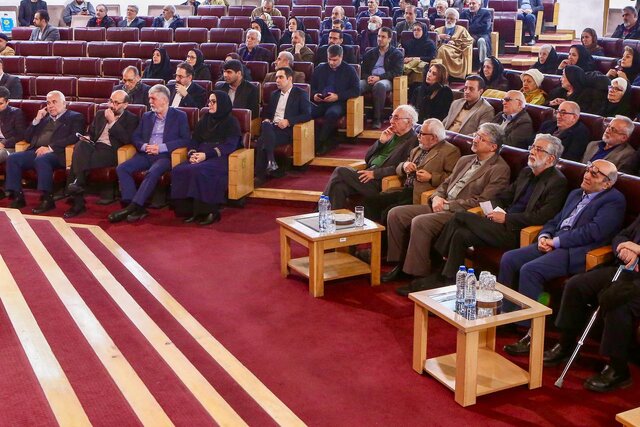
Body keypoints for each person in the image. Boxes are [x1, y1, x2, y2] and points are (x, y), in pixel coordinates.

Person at [501, 160, 625, 356]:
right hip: (554, 242)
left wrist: (557, 242)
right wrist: (544, 236)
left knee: (530, 270)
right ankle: (506, 316)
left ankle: (530, 332)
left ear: (607, 183)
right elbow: (555, 220)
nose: (587, 175)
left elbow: (593, 232)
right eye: (588, 170)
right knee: (509, 259)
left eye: (594, 174)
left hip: (576, 251)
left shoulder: (614, 201)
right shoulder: (576, 193)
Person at [384, 123, 510, 291]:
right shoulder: (465, 160)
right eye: (476, 135)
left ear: (493, 146)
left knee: (420, 222)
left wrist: (449, 205)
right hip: (441, 203)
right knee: (396, 214)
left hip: (460, 213)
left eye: (480, 138)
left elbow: (483, 201)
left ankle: (418, 275)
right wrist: (437, 197)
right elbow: (445, 184)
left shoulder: (500, 169)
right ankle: (399, 263)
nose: (474, 139)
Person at [431, 134, 568, 288]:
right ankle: (449, 281)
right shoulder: (526, 172)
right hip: (500, 224)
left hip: (518, 231)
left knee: (459, 217)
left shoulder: (557, 182)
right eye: (533, 147)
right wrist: (491, 209)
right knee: (460, 234)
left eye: (539, 149)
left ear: (550, 158)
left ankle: (436, 263)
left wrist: (507, 218)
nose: (532, 151)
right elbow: (503, 197)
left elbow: (543, 216)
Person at [542, 216, 640, 392]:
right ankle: (565, 344)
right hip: (626, 269)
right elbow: (621, 235)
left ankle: (618, 369)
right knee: (576, 285)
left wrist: (638, 249)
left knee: (616, 299)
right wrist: (624, 248)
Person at [109, 85, 191, 223]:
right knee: (122, 168)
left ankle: (133, 207)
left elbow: (186, 140)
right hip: (145, 154)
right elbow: (135, 137)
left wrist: (161, 148)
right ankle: (135, 206)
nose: (150, 102)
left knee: (153, 172)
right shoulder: (147, 116)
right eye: (149, 98)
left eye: (153, 99)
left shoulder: (179, 116)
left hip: (164, 156)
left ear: (164, 100)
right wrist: (144, 146)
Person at [364, 118, 460, 223]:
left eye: (422, 134)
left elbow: (453, 179)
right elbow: (399, 167)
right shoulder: (418, 149)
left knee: (388, 212)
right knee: (370, 202)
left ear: (434, 137)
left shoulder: (450, 151)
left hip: (419, 193)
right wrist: (404, 166)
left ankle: (380, 234)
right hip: (404, 190)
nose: (418, 136)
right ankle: (368, 232)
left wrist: (431, 177)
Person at [322, 105, 419, 209]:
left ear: (408, 121)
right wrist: (380, 142)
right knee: (339, 187)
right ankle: (332, 217)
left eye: (396, 118)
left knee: (340, 170)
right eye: (391, 117)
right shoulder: (390, 135)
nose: (391, 121)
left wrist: (375, 174)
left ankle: (320, 211)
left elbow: (401, 167)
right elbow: (367, 158)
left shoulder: (413, 141)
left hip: (379, 180)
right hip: (367, 174)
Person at [3, 91, 85, 213]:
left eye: (54, 102)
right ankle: (18, 196)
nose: (50, 106)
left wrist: (50, 148)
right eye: (48, 103)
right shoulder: (43, 119)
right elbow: (27, 138)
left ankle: (47, 199)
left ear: (64, 103)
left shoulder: (75, 117)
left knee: (42, 159)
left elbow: (74, 137)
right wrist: (36, 120)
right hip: (36, 151)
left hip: (57, 153)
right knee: (13, 158)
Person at [64, 90, 139, 218]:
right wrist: (87, 137)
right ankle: (78, 184)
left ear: (125, 105)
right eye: (111, 101)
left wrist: (112, 122)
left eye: (116, 103)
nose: (112, 105)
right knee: (80, 145)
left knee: (80, 158)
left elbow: (127, 140)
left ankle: (77, 192)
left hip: (112, 151)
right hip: (94, 146)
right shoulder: (100, 114)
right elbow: (92, 133)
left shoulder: (132, 119)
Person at [171, 91, 242, 225]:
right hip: (200, 155)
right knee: (179, 170)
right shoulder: (205, 119)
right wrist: (192, 154)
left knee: (201, 171)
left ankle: (210, 212)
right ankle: (190, 211)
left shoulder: (232, 121)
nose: (210, 104)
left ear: (222, 103)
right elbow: (194, 140)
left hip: (220, 157)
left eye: (213, 102)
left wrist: (206, 155)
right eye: (209, 101)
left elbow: (230, 146)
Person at [254, 67, 312, 183]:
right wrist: (267, 119)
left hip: (286, 130)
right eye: (276, 77)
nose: (277, 80)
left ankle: (261, 174)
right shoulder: (274, 94)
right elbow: (268, 114)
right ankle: (270, 163)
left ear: (289, 79)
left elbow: (307, 115)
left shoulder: (301, 94)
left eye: (281, 77)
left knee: (261, 141)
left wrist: (288, 121)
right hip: (272, 127)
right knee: (266, 126)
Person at [311, 45, 360, 155]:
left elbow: (356, 91)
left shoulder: (349, 70)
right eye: (329, 59)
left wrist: (338, 96)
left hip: (339, 102)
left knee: (332, 113)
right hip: (321, 102)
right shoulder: (320, 69)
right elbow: (312, 87)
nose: (331, 62)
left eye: (335, 60)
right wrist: (314, 95)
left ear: (341, 57)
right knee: (307, 112)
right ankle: (310, 141)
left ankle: (321, 143)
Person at [360, 27, 404, 129]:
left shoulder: (396, 54)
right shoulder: (370, 53)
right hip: (370, 79)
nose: (380, 39)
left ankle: (377, 119)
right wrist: (368, 77)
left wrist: (379, 78)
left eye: (383, 37)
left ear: (389, 39)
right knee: (357, 85)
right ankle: (357, 117)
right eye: (379, 36)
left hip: (386, 80)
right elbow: (362, 70)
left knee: (379, 86)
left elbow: (397, 72)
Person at [434, 8, 474, 80]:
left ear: (456, 20)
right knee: (442, 49)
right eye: (447, 18)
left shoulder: (462, 29)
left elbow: (470, 40)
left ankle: (443, 75)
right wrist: (439, 37)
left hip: (456, 51)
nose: (449, 20)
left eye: (452, 19)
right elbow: (431, 42)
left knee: (442, 50)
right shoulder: (438, 30)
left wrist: (455, 42)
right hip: (441, 49)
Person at [402, 22, 437, 86]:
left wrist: (416, 58)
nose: (416, 32)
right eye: (414, 30)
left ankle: (417, 90)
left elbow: (432, 57)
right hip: (409, 64)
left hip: (423, 64)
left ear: (424, 31)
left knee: (419, 69)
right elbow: (404, 55)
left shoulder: (430, 43)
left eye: (418, 30)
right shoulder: (409, 43)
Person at [0, 87, 26, 166]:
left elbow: (21, 135)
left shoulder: (16, 113)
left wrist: (4, 143)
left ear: (8, 102)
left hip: (9, 147)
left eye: (0, 104)